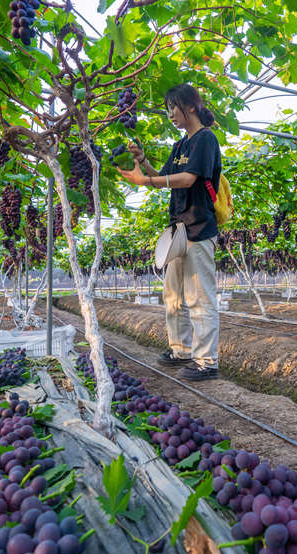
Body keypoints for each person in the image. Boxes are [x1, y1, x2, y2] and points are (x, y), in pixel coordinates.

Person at [119, 84, 221, 380]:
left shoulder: (205, 140)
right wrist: (143, 163)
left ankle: (207, 361)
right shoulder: (180, 146)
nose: (170, 115)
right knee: (173, 295)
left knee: (200, 297)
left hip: (200, 228)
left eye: (172, 108)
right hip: (178, 229)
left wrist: (145, 183)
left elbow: (188, 179)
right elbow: (161, 176)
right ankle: (181, 350)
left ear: (190, 106)